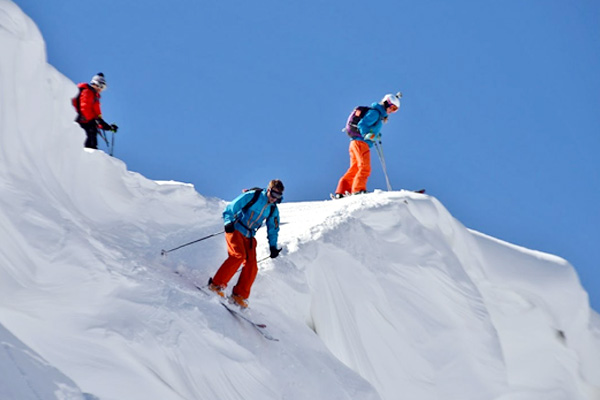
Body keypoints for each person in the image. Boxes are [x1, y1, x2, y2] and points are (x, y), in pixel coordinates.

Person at [208, 180, 285, 308]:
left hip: (249, 236)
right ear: (268, 190)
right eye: (273, 195)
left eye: (278, 197)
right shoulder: (253, 196)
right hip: (236, 228)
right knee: (238, 255)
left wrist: (273, 246)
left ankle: (239, 296)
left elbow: (273, 229)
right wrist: (228, 222)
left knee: (252, 266)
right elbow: (232, 207)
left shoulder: (273, 210)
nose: (274, 199)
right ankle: (216, 285)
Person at [333, 93, 401, 198]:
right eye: (392, 107)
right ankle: (358, 190)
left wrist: (376, 135)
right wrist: (367, 134)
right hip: (361, 142)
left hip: (355, 142)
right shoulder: (375, 113)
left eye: (395, 109)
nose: (392, 111)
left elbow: (369, 127)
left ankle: (342, 191)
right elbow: (362, 124)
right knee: (365, 167)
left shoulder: (378, 115)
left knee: (355, 168)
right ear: (386, 103)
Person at [72, 73, 118, 149]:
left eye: (103, 88)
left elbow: (97, 118)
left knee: (92, 139)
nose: (101, 90)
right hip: (82, 122)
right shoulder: (88, 92)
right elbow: (84, 108)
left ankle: (91, 154)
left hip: (88, 123)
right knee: (88, 140)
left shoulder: (95, 97)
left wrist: (108, 127)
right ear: (96, 84)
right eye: (101, 86)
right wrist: (93, 120)